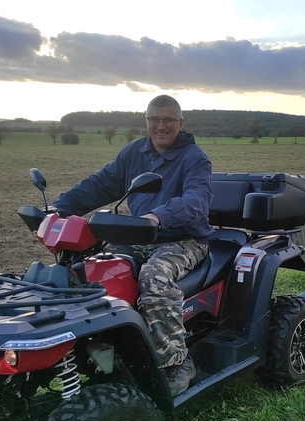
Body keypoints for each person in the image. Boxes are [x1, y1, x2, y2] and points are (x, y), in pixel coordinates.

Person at [52, 94, 213, 395]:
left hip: (183, 239)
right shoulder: (135, 152)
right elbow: (102, 184)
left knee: (154, 278)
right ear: (146, 121)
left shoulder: (195, 158)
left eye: (168, 120)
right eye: (154, 119)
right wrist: (59, 208)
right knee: (89, 271)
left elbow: (196, 201)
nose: (160, 126)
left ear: (180, 123)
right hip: (139, 236)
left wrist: (158, 216)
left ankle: (177, 363)